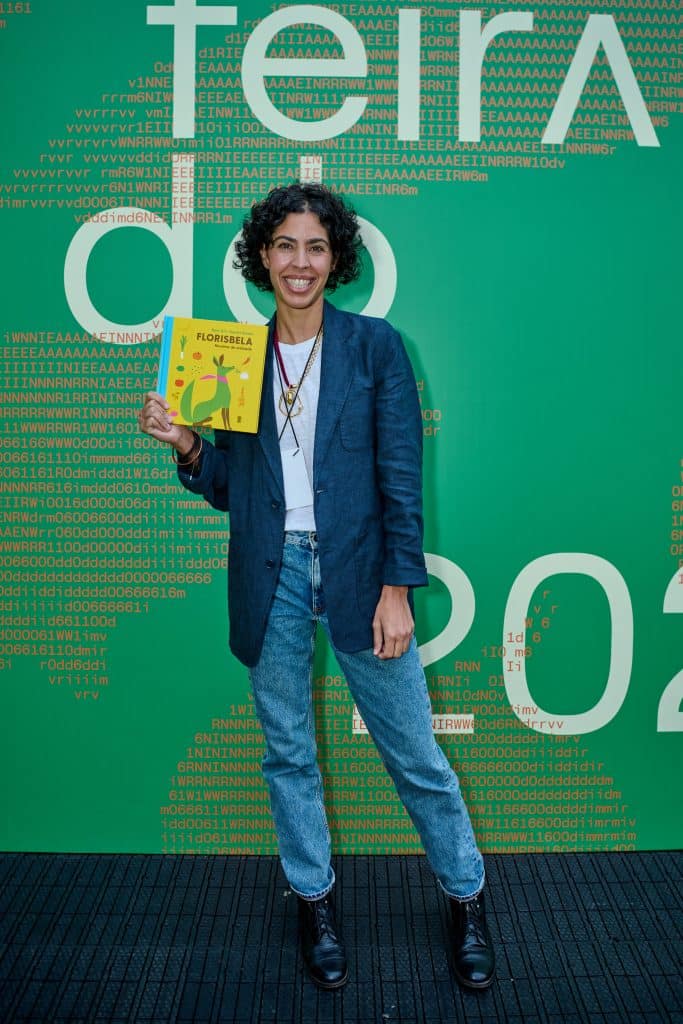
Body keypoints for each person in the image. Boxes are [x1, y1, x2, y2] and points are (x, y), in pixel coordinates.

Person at [138, 183, 495, 992]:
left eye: (315, 247)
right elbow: (232, 487)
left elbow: (400, 477)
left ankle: (466, 899)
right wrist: (188, 444)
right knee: (289, 754)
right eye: (285, 246)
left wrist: (397, 587)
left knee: (416, 754)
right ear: (261, 257)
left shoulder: (375, 347)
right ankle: (313, 904)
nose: (299, 262)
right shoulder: (233, 356)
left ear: (336, 261)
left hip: (361, 570)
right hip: (271, 574)